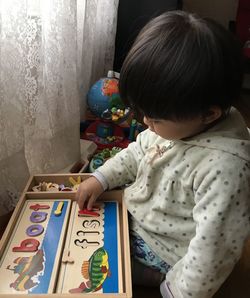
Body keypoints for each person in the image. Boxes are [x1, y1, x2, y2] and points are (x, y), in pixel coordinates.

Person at [76, 10, 250, 298]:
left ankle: (157, 277)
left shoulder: (226, 170)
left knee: (92, 268)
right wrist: (101, 178)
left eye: (155, 119)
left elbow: (213, 250)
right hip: (138, 218)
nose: (146, 123)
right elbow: (135, 153)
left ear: (208, 114)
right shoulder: (179, 123)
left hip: (166, 252)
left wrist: (178, 290)